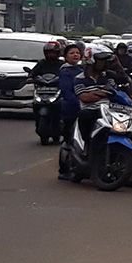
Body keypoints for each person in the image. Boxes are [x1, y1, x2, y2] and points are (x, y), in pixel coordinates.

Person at [72, 49, 128, 141]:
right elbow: (84, 98)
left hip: (108, 110)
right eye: (101, 61)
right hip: (91, 110)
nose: (104, 63)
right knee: (84, 115)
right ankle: (87, 143)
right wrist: (103, 92)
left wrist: (96, 93)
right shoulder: (79, 79)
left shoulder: (107, 76)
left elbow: (114, 91)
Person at [57, 43, 84, 177]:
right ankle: (64, 170)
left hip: (84, 110)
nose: (75, 55)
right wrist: (80, 101)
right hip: (70, 110)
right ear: (65, 56)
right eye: (72, 53)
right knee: (69, 140)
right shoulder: (65, 71)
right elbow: (67, 92)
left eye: (77, 53)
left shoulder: (82, 70)